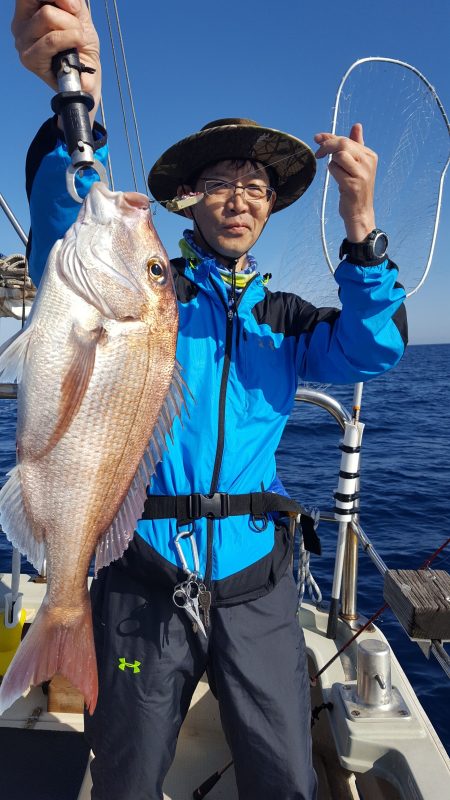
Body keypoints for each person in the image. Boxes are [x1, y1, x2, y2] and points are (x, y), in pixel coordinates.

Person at [12, 3, 407, 800]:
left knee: (287, 776)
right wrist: (72, 96)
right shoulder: (154, 291)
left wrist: (360, 225)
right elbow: (68, 221)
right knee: (125, 775)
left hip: (259, 578)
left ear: (268, 210)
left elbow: (377, 347)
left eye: (255, 188)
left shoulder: (285, 320)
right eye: (221, 183)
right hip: (139, 568)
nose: (240, 197)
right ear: (187, 199)